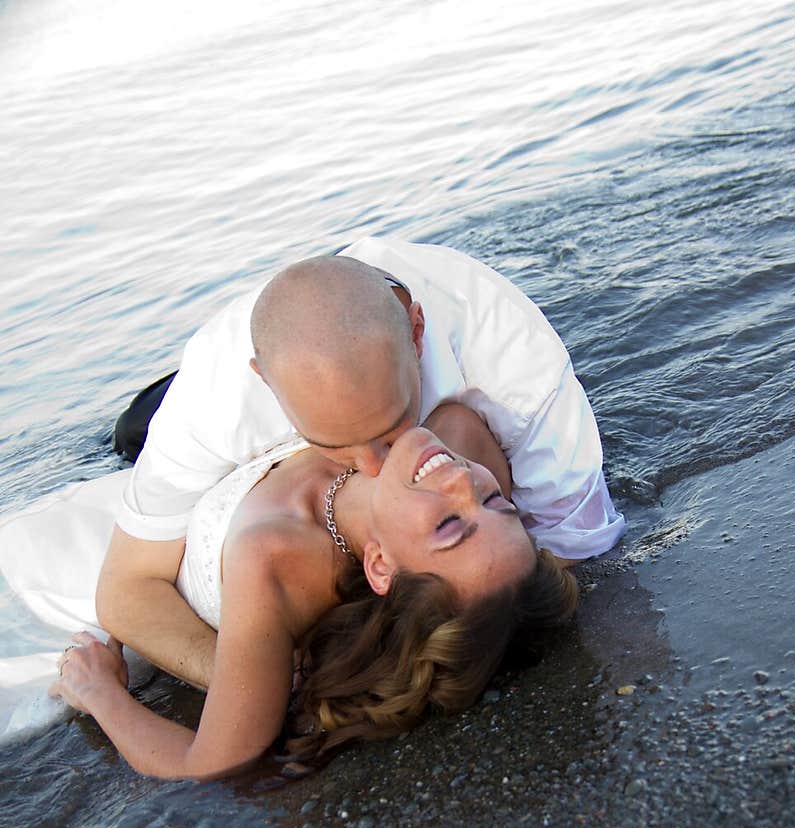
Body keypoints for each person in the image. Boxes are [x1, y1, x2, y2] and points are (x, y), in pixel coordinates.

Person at [97, 238, 624, 690]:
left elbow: (575, 543)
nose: (374, 467)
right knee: (127, 433)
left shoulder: (513, 360)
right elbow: (126, 590)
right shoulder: (218, 391)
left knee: (462, 428)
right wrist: (259, 679)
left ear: (417, 334)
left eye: (392, 424)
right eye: (335, 443)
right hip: (188, 410)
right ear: (266, 382)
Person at [36, 406, 577, 779]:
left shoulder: (272, 559)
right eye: (496, 503)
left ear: (381, 565)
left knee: (129, 427)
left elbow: (210, 763)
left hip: (155, 470)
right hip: (224, 435)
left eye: (448, 526)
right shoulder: (457, 441)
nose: (464, 482)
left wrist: (101, 694)